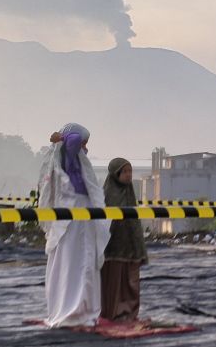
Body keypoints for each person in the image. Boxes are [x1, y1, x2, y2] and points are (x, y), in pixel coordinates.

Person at [37, 123, 111, 328]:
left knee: (84, 260)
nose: (85, 147)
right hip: (71, 215)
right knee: (71, 259)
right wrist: (62, 136)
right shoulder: (68, 158)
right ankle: (72, 308)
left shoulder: (77, 161)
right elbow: (74, 140)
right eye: (84, 142)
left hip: (83, 215)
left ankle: (84, 307)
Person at [101, 158, 148, 321]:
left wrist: (138, 245)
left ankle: (129, 313)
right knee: (113, 282)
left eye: (130, 171)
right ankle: (112, 313)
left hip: (130, 246)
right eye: (125, 172)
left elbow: (134, 220)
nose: (128, 175)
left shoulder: (130, 192)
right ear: (116, 174)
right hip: (112, 248)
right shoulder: (107, 193)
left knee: (131, 281)